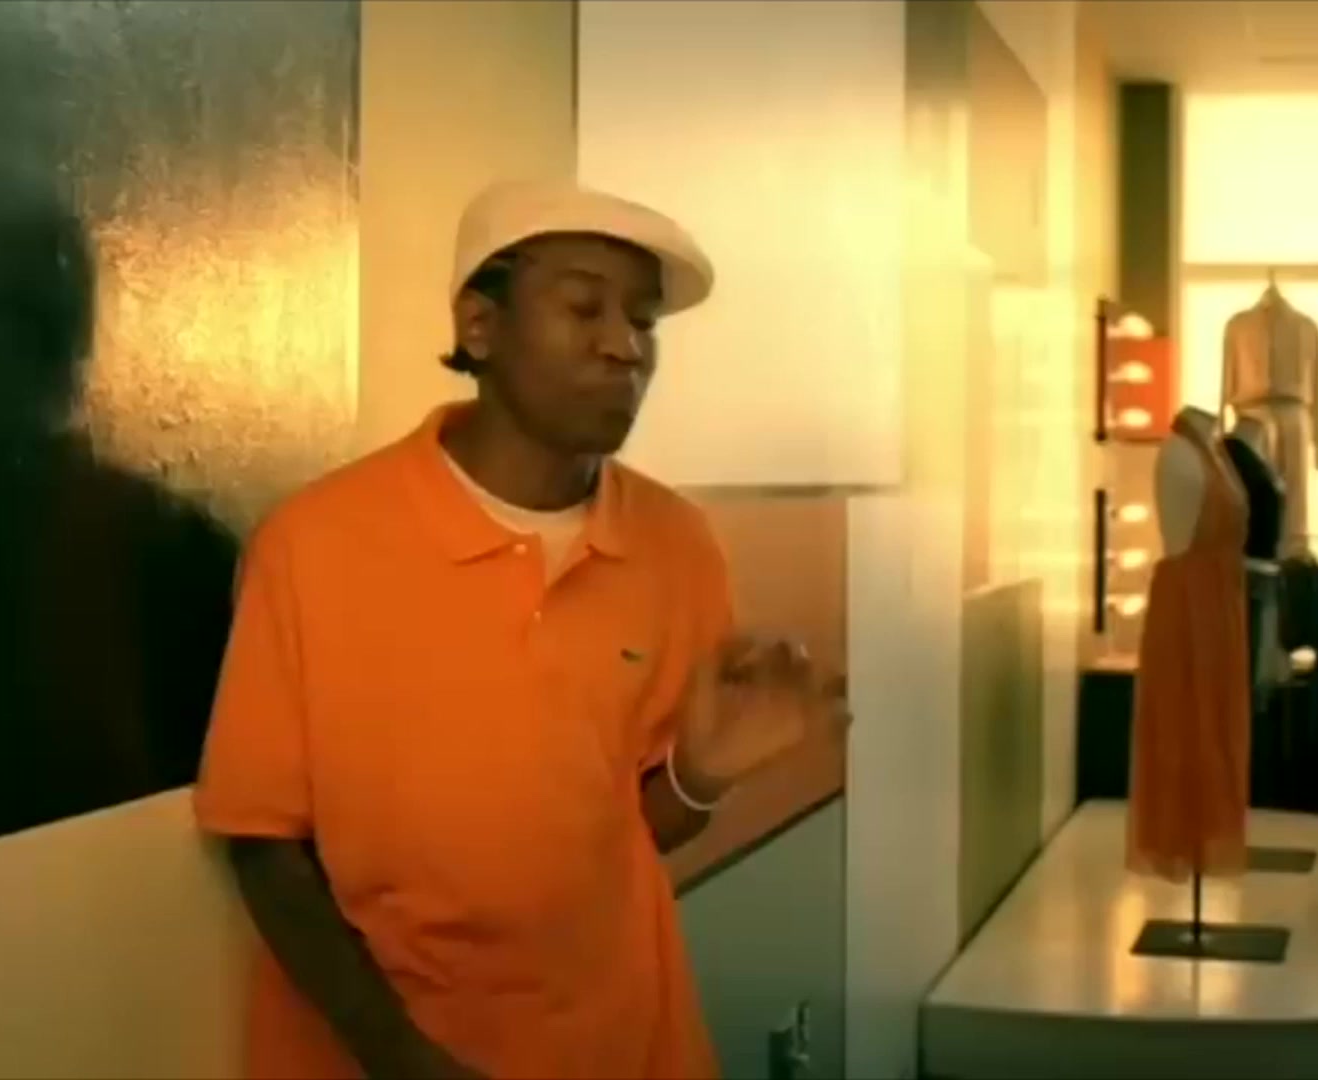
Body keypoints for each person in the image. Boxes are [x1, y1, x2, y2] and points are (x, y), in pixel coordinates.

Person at [194, 180, 847, 1080]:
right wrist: (402, 1057)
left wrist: (697, 781)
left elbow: (623, 840)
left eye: (643, 320)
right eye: (583, 307)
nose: (625, 345)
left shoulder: (677, 546)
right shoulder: (315, 545)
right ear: (480, 326)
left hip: (622, 1047)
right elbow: (264, 845)